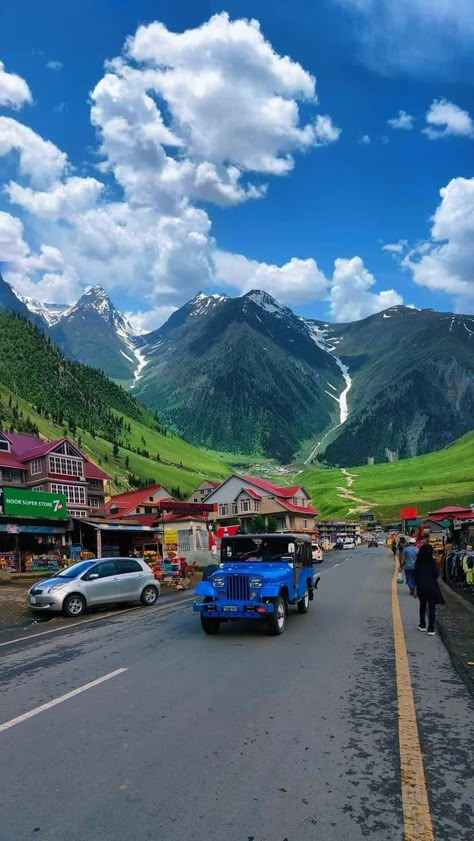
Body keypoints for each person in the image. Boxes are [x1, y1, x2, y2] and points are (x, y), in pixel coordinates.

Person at [415, 543, 444, 635]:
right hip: (431, 587)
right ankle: (431, 628)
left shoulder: (418, 562)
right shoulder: (432, 562)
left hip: (421, 587)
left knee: (422, 605)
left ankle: (422, 624)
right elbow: (436, 575)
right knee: (432, 607)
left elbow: (416, 575)